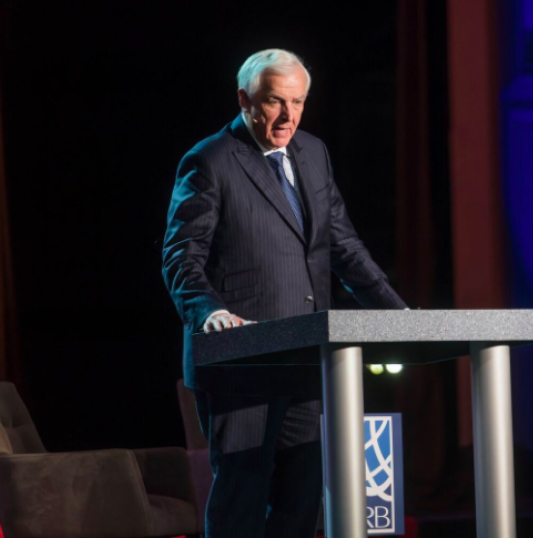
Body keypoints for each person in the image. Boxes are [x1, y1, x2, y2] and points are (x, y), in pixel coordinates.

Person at [162, 49, 407, 538]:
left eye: (298, 102)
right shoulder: (209, 160)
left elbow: (344, 246)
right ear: (245, 99)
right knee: (242, 501)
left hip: (306, 362)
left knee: (302, 501)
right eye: (276, 101)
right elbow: (181, 257)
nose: (288, 116)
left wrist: (399, 315)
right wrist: (210, 311)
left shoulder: (314, 154)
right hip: (242, 363)